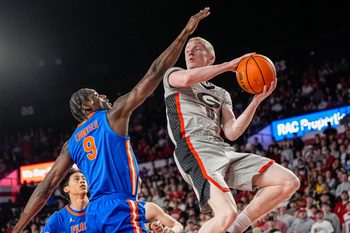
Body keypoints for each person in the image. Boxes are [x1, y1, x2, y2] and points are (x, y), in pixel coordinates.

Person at [12, 7, 210, 233]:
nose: (105, 97)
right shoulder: (112, 115)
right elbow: (155, 72)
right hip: (118, 206)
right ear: (87, 105)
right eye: (97, 96)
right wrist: (184, 33)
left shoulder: (72, 144)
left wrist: (18, 228)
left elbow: (44, 189)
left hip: (94, 214)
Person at [162, 36, 300, 233]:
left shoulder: (221, 93)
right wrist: (228, 65)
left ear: (210, 58)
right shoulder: (174, 75)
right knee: (226, 212)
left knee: (287, 182)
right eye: (187, 50)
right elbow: (186, 79)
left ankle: (235, 229)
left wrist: (256, 101)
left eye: (197, 48)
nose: (190, 52)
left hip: (222, 149)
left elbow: (232, 132)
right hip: (194, 146)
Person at [41, 168, 88, 233]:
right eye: (76, 179)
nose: (82, 181)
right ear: (66, 189)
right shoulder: (59, 218)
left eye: (84, 178)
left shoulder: (100, 207)